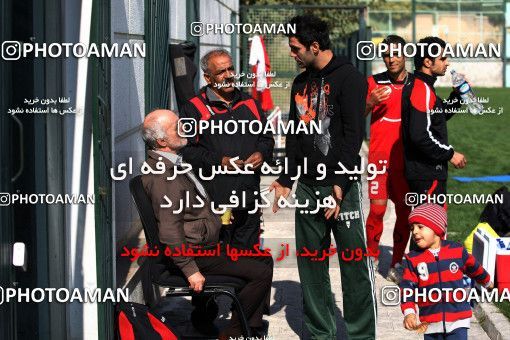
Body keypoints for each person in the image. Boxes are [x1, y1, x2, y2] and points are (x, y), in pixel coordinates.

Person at [270, 15, 377, 339]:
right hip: (308, 189)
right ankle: (321, 333)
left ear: (315, 46)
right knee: (311, 263)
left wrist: (340, 187)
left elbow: (352, 135)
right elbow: (296, 138)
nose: (292, 53)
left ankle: (361, 334)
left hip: (340, 188)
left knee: (354, 265)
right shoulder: (301, 84)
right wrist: (286, 179)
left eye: (295, 47)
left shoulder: (350, 79)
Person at [140, 109, 273, 339]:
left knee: (263, 259)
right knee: (260, 270)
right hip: (194, 254)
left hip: (203, 244)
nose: (184, 128)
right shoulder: (164, 176)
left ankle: (247, 327)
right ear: (162, 141)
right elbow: (170, 232)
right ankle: (234, 333)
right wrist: (191, 272)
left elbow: (188, 207)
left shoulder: (173, 163)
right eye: (176, 127)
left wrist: (215, 216)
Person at [180, 48, 274, 250]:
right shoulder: (193, 108)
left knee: (248, 257)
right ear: (208, 78)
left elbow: (267, 138)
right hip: (214, 202)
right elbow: (187, 151)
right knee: (220, 259)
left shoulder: (250, 103)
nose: (229, 75)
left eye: (231, 69)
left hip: (248, 198)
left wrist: (262, 153)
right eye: (221, 72)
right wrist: (219, 161)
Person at [400, 203, 493, 339]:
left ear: (437, 229)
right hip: (429, 322)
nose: (414, 232)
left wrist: (487, 281)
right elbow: (407, 288)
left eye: (420, 227)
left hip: (458, 320)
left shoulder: (456, 250)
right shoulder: (413, 259)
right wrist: (409, 312)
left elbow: (474, 267)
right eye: (412, 228)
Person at [364, 35, 412, 283]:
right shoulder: (373, 82)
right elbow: (354, 113)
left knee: (405, 213)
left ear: (405, 55)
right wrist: (370, 102)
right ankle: (371, 257)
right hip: (379, 159)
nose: (391, 59)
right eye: (386, 54)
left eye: (396, 53)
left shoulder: (416, 84)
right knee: (377, 209)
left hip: (406, 162)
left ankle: (396, 263)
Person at [401, 36, 467, 206]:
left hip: (426, 173)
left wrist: (457, 96)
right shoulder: (421, 89)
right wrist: (450, 154)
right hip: (426, 174)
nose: (447, 63)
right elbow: (419, 135)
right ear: (428, 62)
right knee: (428, 231)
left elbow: (437, 116)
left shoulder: (423, 87)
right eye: (443, 58)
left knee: (425, 229)